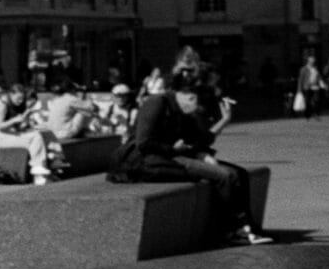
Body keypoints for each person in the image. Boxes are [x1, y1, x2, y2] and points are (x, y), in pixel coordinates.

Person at [107, 71, 271, 245]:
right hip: (148, 162)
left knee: (240, 173)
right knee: (225, 176)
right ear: (185, 95)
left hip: (175, 155)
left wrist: (224, 120)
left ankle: (249, 227)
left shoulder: (183, 111)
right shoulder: (156, 103)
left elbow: (200, 139)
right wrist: (173, 148)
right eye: (195, 100)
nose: (197, 106)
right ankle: (233, 231)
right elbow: (143, 143)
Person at [0, 84, 58, 184]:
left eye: (22, 98)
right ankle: (38, 168)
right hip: (3, 138)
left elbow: (19, 127)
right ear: (11, 94)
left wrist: (26, 116)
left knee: (44, 134)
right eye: (18, 98)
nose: (20, 101)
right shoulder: (3, 106)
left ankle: (52, 164)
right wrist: (14, 120)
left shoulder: (19, 105)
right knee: (35, 137)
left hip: (13, 134)